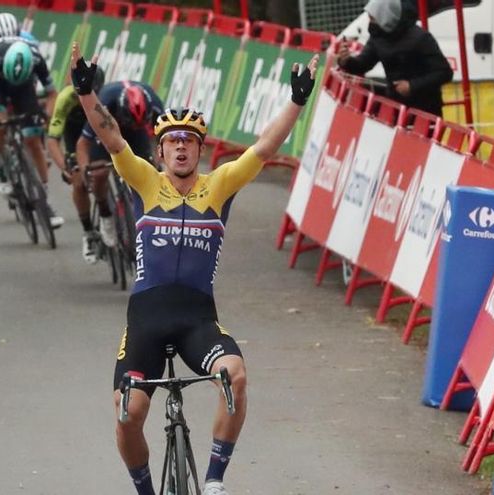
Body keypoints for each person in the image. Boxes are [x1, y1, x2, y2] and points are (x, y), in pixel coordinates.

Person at [70, 42, 318, 495]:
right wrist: (87, 93)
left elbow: (264, 147)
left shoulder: (220, 185)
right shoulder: (144, 180)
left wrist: (297, 101)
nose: (180, 147)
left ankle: (215, 481)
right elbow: (110, 137)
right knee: (128, 416)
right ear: (160, 151)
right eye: (172, 141)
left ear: (199, 151)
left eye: (189, 141)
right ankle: (146, 489)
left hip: (197, 321)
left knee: (236, 375)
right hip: (145, 321)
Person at [0, 36, 63, 227]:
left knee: (33, 140)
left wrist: (47, 118)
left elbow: (52, 94)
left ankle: (44, 199)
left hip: (24, 87)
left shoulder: (37, 59)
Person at [75, 79, 164, 257]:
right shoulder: (105, 106)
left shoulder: (154, 104)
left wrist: (157, 161)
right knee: (99, 173)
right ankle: (105, 214)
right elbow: (83, 143)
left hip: (137, 134)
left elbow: (162, 140)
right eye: (130, 123)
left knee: (152, 171)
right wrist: (86, 169)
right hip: (108, 128)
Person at [337, 0, 453, 116]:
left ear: (385, 17)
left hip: (426, 109)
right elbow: (362, 64)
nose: (369, 22)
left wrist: (412, 86)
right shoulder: (377, 37)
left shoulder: (421, 38)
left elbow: (444, 72)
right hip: (395, 107)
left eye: (372, 18)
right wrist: (345, 61)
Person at [46, 64, 108, 262]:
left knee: (105, 169)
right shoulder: (66, 98)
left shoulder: (105, 96)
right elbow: (52, 140)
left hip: (97, 133)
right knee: (78, 181)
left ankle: (111, 212)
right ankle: (89, 232)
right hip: (74, 134)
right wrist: (65, 168)